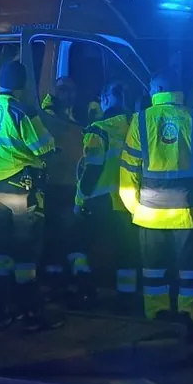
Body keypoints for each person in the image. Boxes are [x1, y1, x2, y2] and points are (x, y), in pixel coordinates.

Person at [120, 69, 193, 338]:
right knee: (190, 273)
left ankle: (155, 318)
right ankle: (191, 320)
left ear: (154, 90)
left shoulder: (140, 121)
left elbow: (128, 172)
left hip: (149, 214)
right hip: (189, 214)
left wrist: (135, 209)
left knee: (154, 273)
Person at [0, 61, 64, 331]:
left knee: (1, 251)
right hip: (22, 189)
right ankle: (31, 313)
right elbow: (43, 147)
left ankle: (2, 310)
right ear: (22, 84)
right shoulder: (21, 111)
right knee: (27, 252)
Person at [71, 82, 139, 312]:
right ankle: (127, 300)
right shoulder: (137, 125)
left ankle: (85, 290)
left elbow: (92, 169)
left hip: (100, 201)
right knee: (127, 254)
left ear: (107, 99)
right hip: (131, 202)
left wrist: (80, 200)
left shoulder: (98, 129)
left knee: (76, 245)